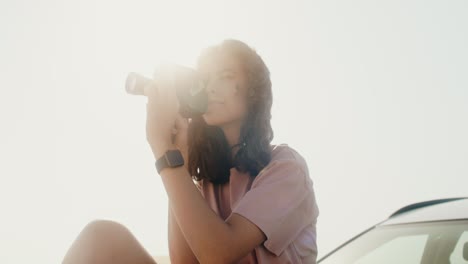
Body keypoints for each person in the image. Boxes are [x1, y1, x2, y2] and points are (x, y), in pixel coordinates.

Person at [62, 39, 319, 264]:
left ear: (254, 90)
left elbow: (219, 253)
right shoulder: (203, 186)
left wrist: (163, 150)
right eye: (205, 79)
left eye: (225, 76)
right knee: (101, 239)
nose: (211, 87)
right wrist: (179, 161)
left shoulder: (286, 168)